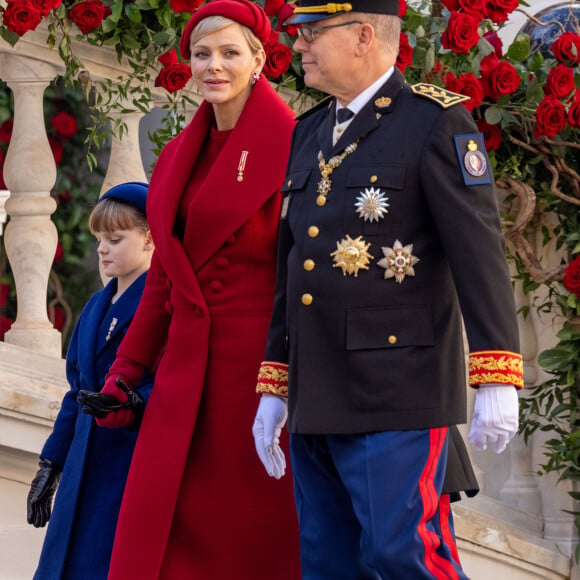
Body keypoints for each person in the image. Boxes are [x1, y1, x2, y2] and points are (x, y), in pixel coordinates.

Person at [252, 1, 524, 578]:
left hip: (398, 389)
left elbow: (479, 254)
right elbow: (293, 267)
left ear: (363, 36)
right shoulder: (308, 131)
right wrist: (275, 380)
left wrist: (496, 373)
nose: (298, 47)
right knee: (329, 563)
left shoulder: (432, 121)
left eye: (312, 34)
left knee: (403, 558)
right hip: (314, 388)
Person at [96, 1, 301, 578]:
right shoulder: (179, 152)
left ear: (259, 60)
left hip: (257, 378)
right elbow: (165, 274)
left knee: (242, 541)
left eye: (230, 53)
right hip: (185, 376)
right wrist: (125, 373)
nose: (214, 66)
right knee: (157, 539)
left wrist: (282, 378)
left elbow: (301, 275)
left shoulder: (293, 145)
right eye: (202, 54)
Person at [27, 182, 154, 579]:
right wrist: (51, 462)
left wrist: (135, 401)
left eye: (115, 239)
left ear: (149, 238)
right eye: (100, 239)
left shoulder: (160, 306)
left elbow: (173, 381)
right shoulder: (97, 305)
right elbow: (75, 390)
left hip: (126, 463)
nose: (102, 249)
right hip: (82, 461)